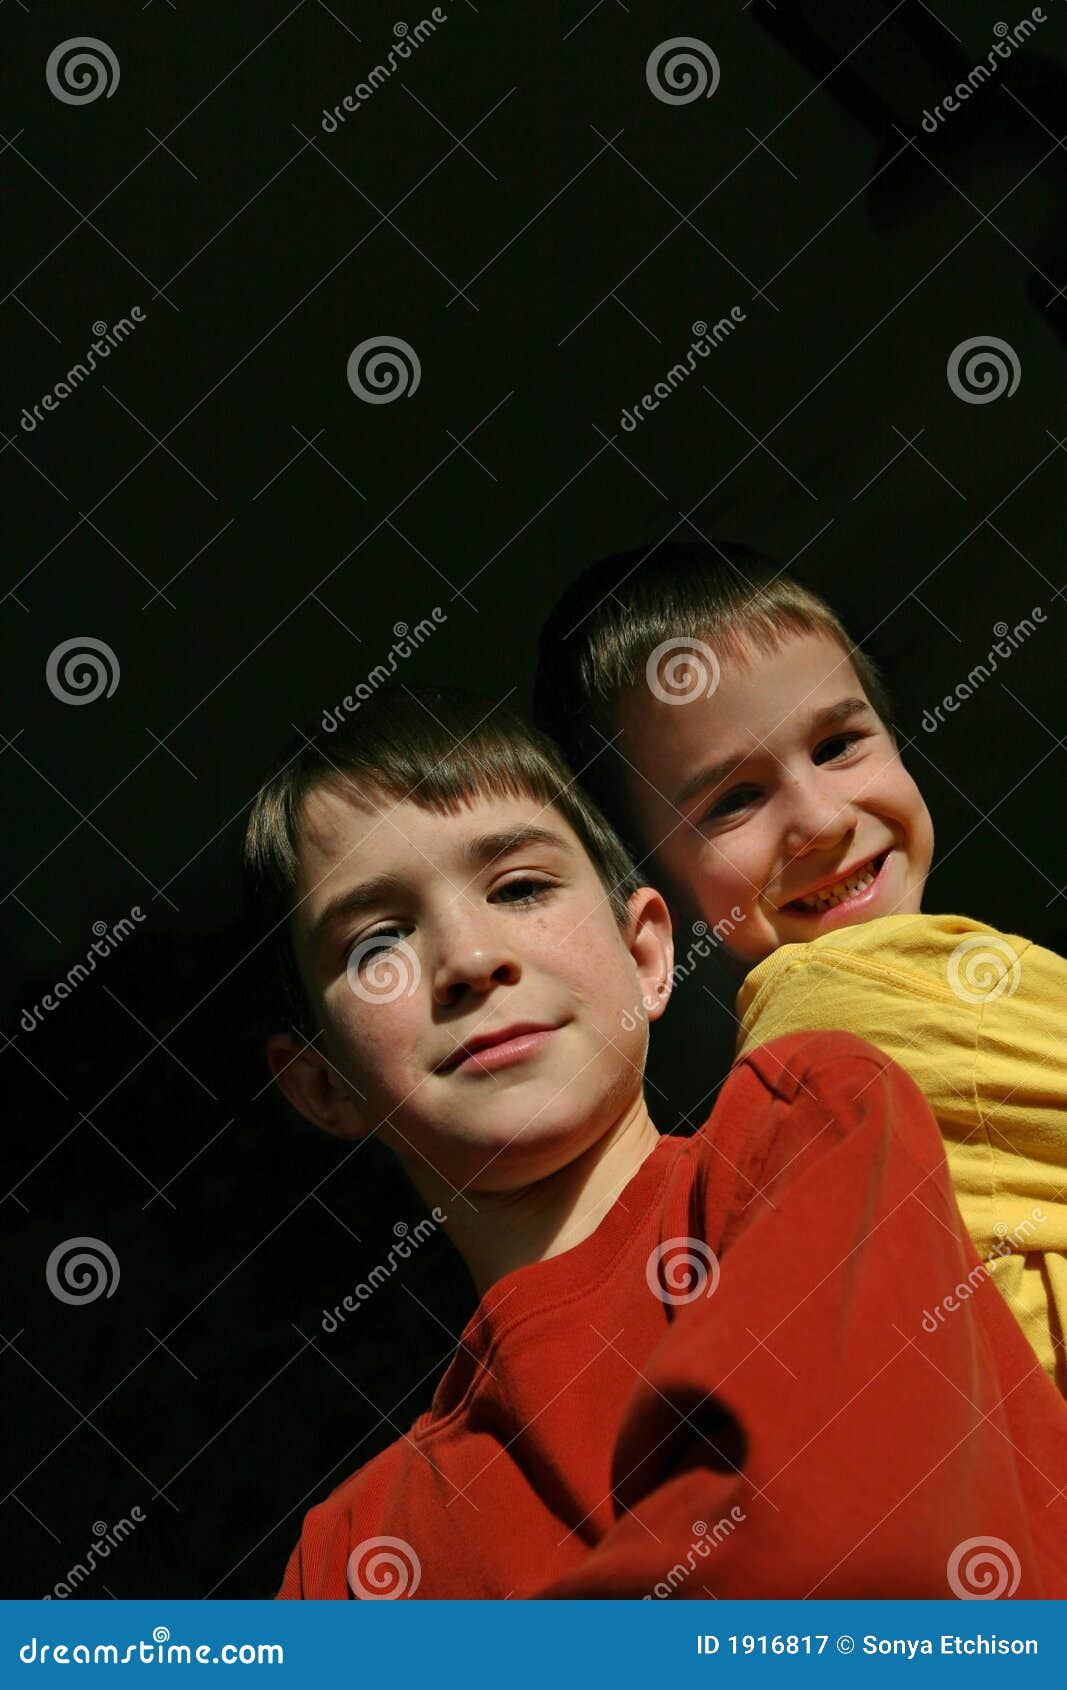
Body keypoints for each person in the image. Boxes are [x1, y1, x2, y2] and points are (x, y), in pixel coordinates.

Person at [244, 684, 1067, 1598]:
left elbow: (842, 1575)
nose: (470, 960)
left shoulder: (810, 1117)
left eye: (519, 888)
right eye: (375, 944)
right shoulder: (346, 1560)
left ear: (645, 954)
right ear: (323, 1084)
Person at [534, 540, 1067, 1392]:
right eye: (734, 800)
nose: (821, 820)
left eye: (837, 745)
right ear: (649, 888)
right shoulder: (827, 999)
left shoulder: (758, 1108)